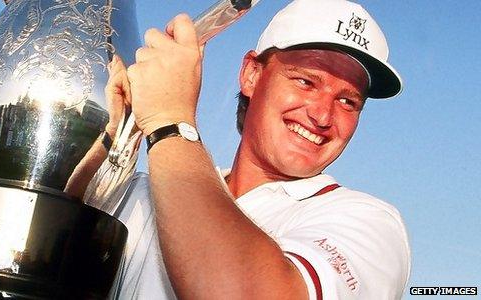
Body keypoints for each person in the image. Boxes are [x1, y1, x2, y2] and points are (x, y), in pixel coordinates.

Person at [110, 0, 411, 299]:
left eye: (348, 101)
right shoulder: (135, 194)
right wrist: (104, 133)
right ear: (251, 74)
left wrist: (171, 123)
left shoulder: (370, 225)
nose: (322, 116)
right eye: (306, 81)